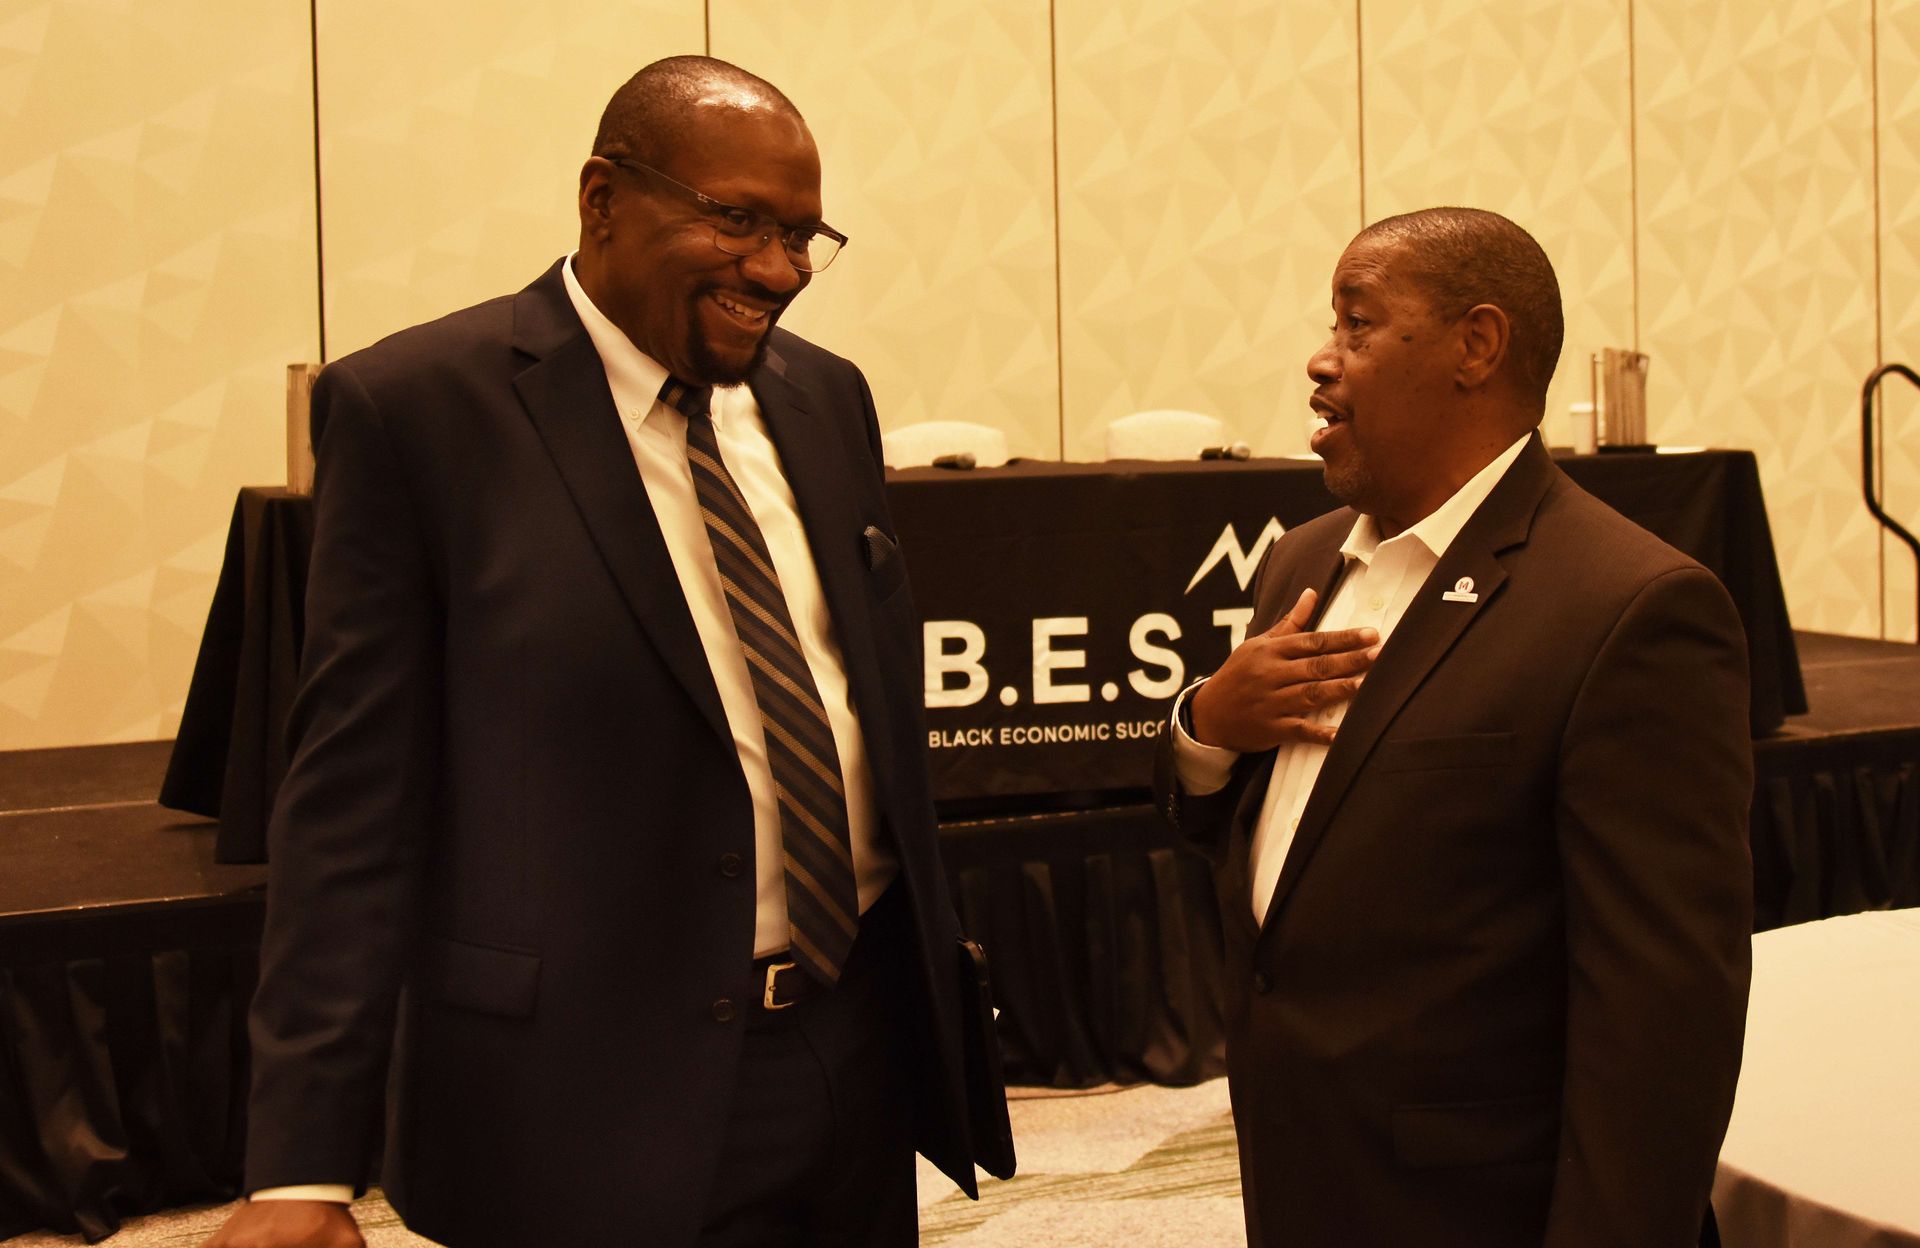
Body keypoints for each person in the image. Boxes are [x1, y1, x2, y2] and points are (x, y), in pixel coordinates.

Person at [203, 55, 1010, 1248]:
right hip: (574, 1098)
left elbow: (859, 711)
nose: (779, 271)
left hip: (847, 1051)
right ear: (601, 199)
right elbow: (350, 807)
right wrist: (303, 1162)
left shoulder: (825, 398)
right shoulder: (417, 409)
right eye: (736, 221)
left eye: (802, 235)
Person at [1155, 207, 1752, 1247]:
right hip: (1304, 1169)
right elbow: (1277, 856)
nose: (1320, 359)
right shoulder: (1299, 566)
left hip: (1475, 1206)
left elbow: (1661, 1025)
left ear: (1476, 345)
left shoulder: (1631, 607)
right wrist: (1208, 728)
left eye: (1355, 325)